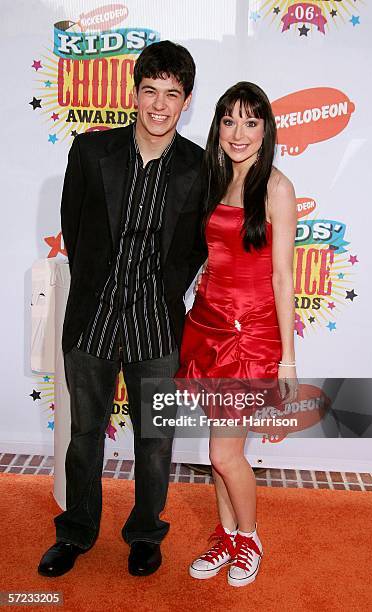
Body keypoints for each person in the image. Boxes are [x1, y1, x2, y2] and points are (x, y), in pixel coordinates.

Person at [38, 40, 206, 578]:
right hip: (94, 320)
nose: (159, 105)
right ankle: (78, 531)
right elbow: (75, 226)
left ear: (186, 101)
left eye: (172, 94)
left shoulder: (199, 167)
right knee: (85, 434)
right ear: (134, 93)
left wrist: (166, 291)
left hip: (156, 326)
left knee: (155, 443)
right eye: (150, 91)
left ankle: (144, 532)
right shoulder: (91, 153)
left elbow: (197, 245)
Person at [176, 82, 298, 587]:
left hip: (250, 338)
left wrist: (287, 358)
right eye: (230, 121)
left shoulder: (276, 187)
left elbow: (284, 276)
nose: (239, 132)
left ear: (266, 129)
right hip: (207, 325)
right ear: (217, 127)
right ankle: (227, 535)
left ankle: (249, 538)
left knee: (223, 454)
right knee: (220, 450)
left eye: (251, 122)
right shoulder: (213, 179)